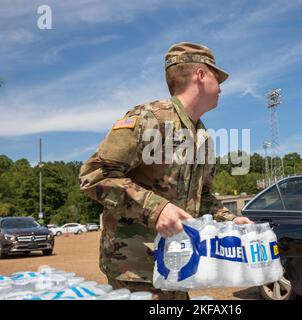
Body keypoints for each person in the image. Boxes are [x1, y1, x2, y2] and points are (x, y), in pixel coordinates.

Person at [79, 42, 252, 299]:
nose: (222, 86)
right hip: (136, 270)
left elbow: (202, 198)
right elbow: (94, 175)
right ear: (201, 74)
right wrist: (156, 208)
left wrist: (229, 220)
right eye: (218, 76)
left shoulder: (203, 137)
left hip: (177, 265)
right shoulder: (150, 118)